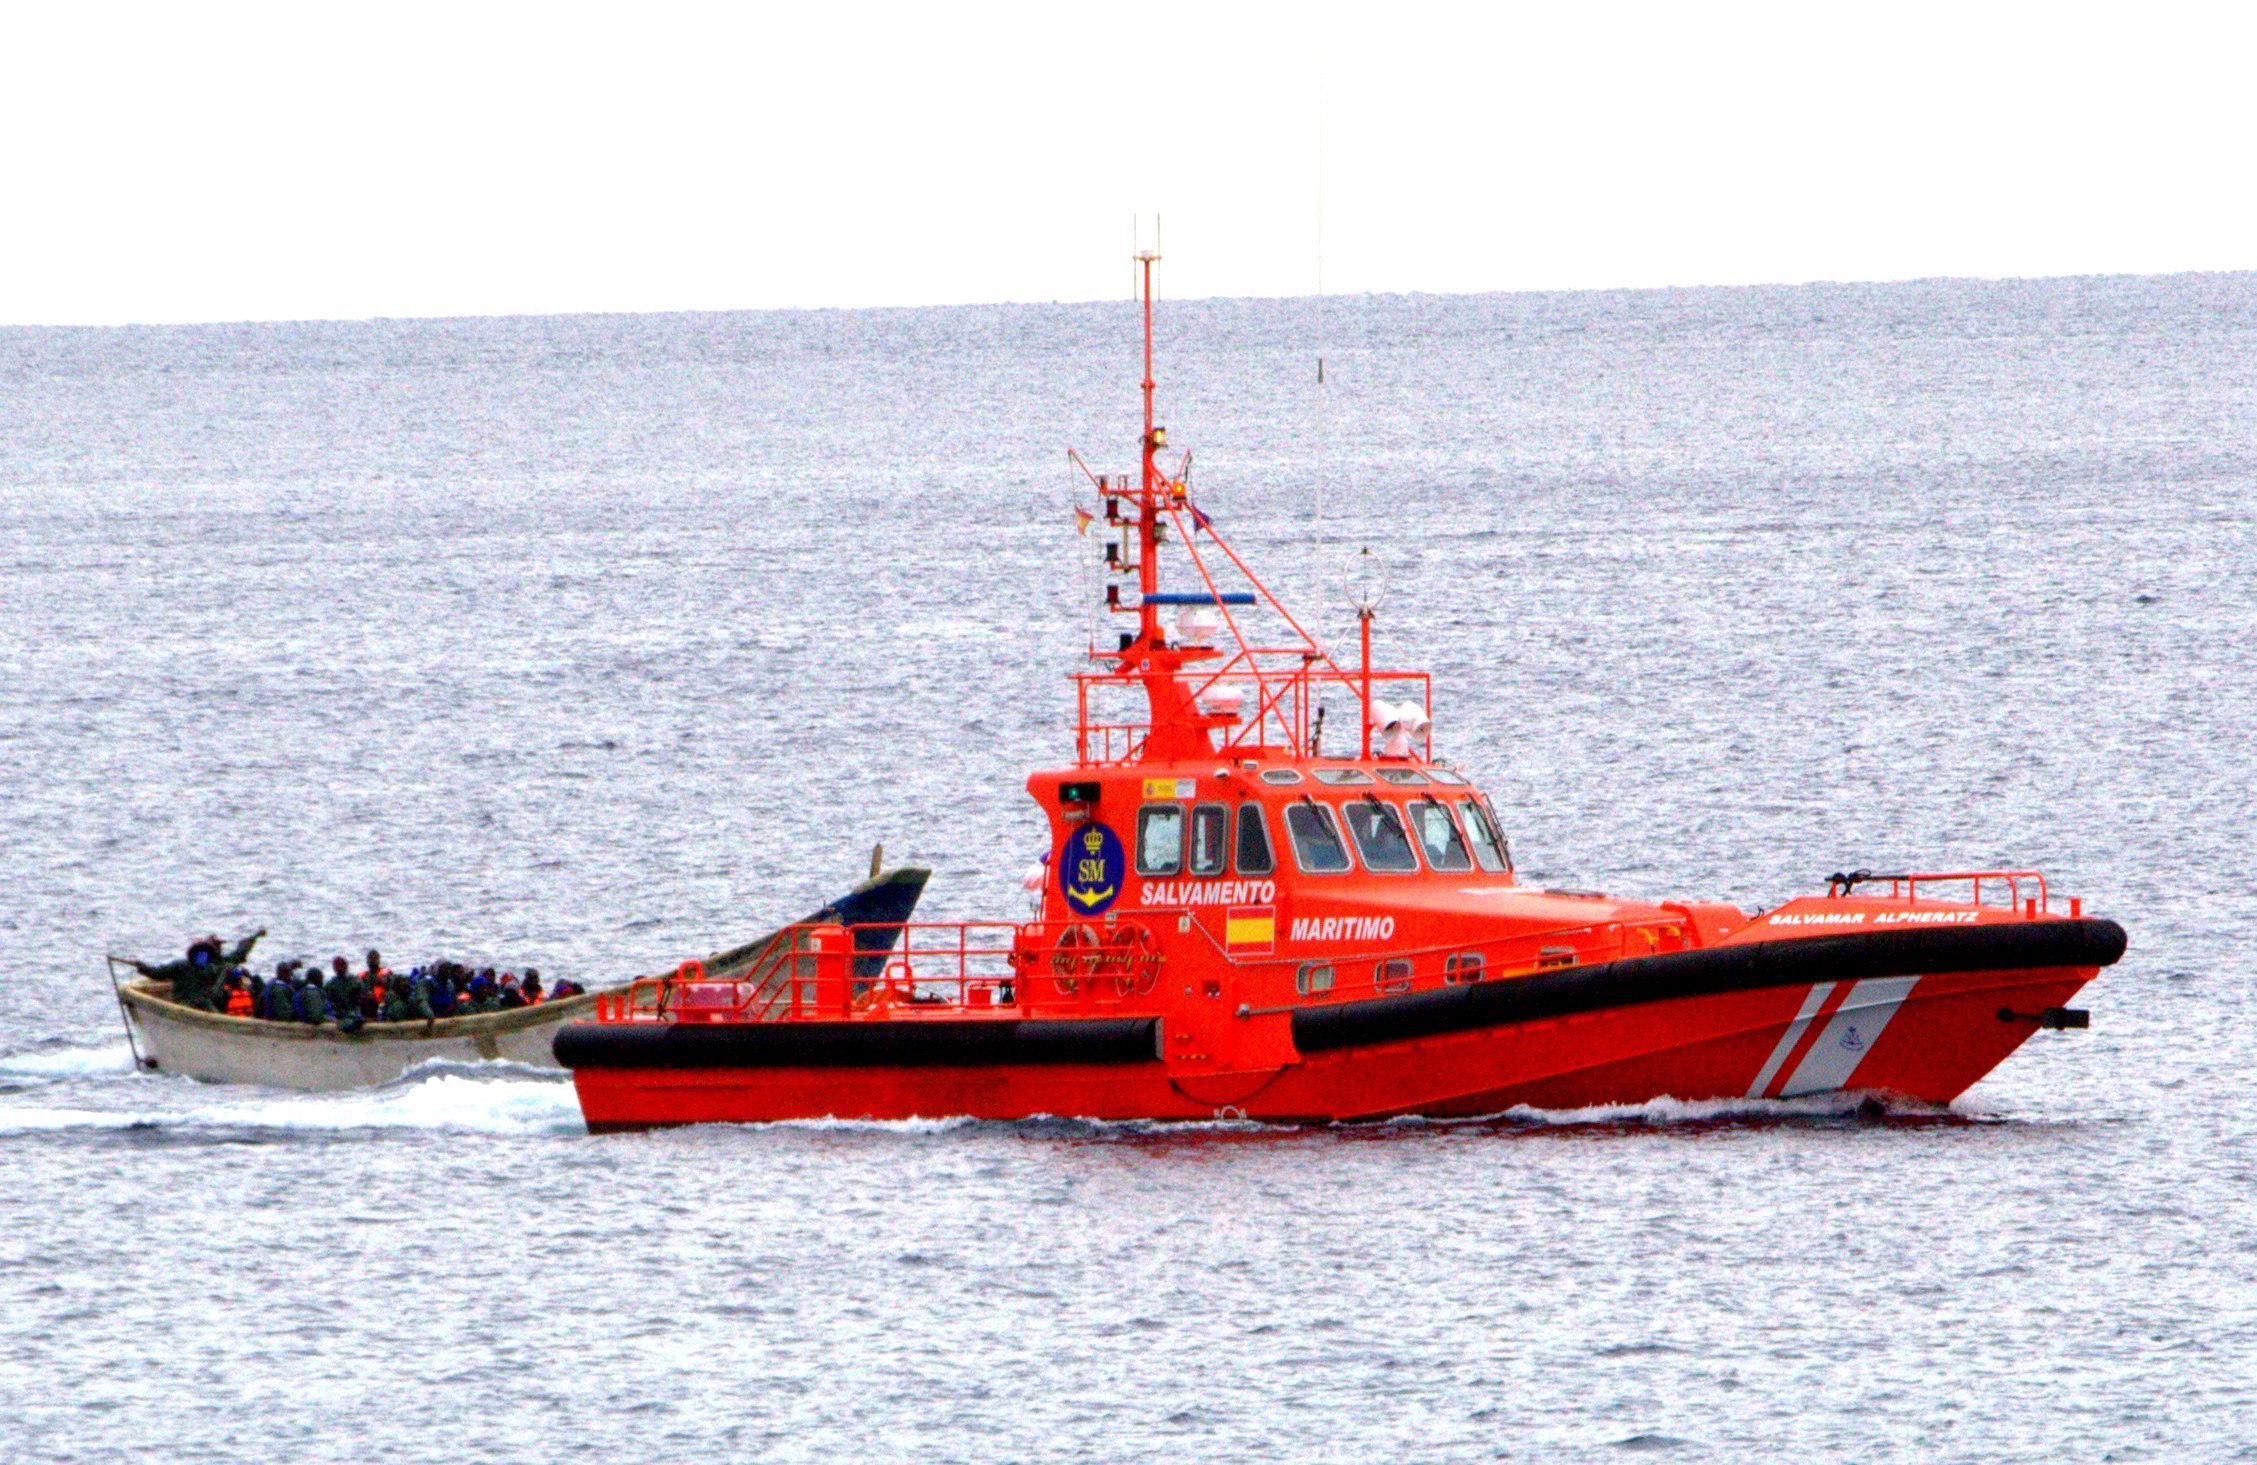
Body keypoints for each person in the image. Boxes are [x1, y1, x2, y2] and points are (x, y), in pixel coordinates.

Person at [324, 957, 365, 1034]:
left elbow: (361, 997)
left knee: (355, 1017)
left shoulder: (355, 981)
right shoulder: (331, 984)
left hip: (353, 1010)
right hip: (339, 1012)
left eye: (341, 965)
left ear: (346, 966)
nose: (339, 968)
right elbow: (328, 1000)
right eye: (337, 965)